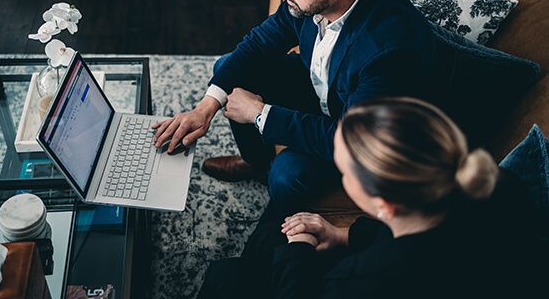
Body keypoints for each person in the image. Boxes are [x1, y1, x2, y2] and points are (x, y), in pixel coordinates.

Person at [152, 0, 462, 216]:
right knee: (229, 69)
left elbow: (351, 143)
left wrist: (260, 115)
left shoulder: (389, 52)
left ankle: (290, 225)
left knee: (286, 177)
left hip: (366, 137)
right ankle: (256, 161)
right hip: (327, 89)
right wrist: (205, 108)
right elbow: (261, 42)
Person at [198, 97, 542, 299]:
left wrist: (299, 248)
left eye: (345, 172)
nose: (341, 178)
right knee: (272, 231)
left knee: (226, 279)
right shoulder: (496, 184)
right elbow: (430, 236)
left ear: (385, 204)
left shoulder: (363, 279)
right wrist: (344, 234)